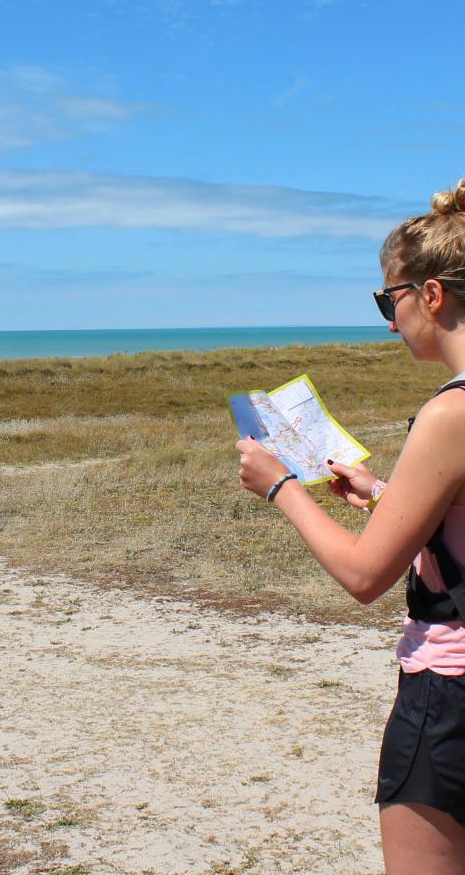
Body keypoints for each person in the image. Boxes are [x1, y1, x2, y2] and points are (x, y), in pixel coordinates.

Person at [237, 179, 465, 875]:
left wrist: (278, 485)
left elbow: (366, 576)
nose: (388, 323)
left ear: (430, 295)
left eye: (386, 300)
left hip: (449, 696)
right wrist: (386, 494)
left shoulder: (450, 416)